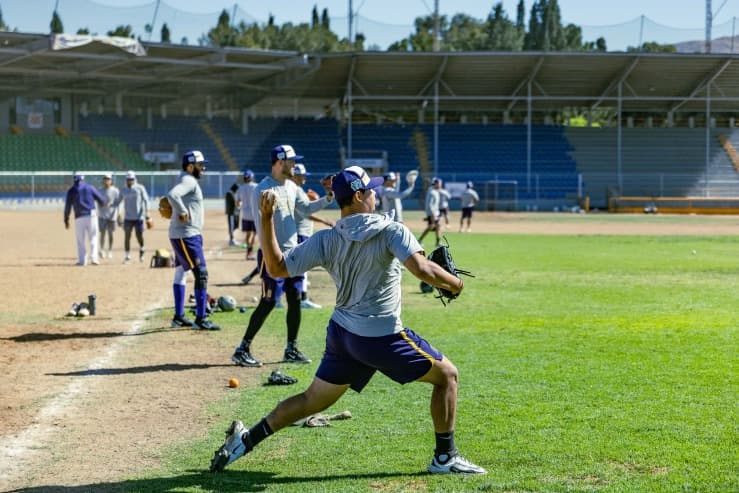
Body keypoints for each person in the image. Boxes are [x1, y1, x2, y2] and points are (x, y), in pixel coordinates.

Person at [210, 165, 486, 476]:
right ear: (358, 195)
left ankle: (245, 441)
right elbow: (423, 271)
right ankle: (445, 458)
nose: (376, 195)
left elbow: (275, 268)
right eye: (371, 190)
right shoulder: (390, 229)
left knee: (311, 400)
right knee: (447, 376)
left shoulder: (327, 238)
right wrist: (456, 284)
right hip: (380, 337)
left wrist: (264, 218)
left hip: (342, 334)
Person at [231, 144, 334, 367]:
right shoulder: (263, 189)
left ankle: (291, 348)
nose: (295, 165)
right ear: (280, 162)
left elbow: (305, 209)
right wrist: (270, 256)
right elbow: (261, 225)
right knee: (268, 301)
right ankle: (243, 348)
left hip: (294, 253)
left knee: (295, 299)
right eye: (292, 161)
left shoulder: (291, 186)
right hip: (272, 255)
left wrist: (328, 197)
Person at [166, 150, 221, 331]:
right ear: (190, 166)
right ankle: (200, 318)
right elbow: (173, 195)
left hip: (185, 234)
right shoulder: (189, 180)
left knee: (182, 273)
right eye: (200, 165)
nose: (203, 167)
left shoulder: (187, 179)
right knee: (201, 274)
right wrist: (182, 211)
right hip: (187, 235)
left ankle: (179, 316)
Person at [289, 162, 334, 309]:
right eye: (302, 176)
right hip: (300, 233)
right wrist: (327, 199)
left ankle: (286, 298)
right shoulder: (295, 190)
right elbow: (306, 211)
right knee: (301, 268)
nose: (305, 178)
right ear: (295, 176)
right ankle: (302, 299)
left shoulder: (293, 190)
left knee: (296, 268)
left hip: (299, 232)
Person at [63, 172, 105, 266]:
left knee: (80, 240)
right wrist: (103, 204)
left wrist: (66, 219)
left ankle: (82, 260)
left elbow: (67, 206)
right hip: (91, 215)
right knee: (93, 237)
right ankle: (94, 259)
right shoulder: (90, 187)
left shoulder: (71, 191)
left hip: (79, 216)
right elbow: (101, 199)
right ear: (83, 178)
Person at [115, 170, 150, 263]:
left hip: (139, 217)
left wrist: (147, 213)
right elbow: (118, 202)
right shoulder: (123, 190)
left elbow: (146, 200)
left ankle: (142, 249)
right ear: (126, 179)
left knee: (139, 235)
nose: (130, 181)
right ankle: (127, 256)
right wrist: (118, 215)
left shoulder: (140, 188)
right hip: (128, 217)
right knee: (127, 236)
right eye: (128, 179)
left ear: (134, 179)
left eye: (131, 179)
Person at [237, 169, 258, 261]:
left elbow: (237, 203)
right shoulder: (256, 186)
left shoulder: (240, 188)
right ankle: (251, 251)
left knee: (248, 233)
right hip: (254, 214)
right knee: (255, 234)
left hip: (245, 214)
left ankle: (248, 252)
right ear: (252, 177)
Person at [97, 172, 120, 259]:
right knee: (102, 233)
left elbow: (119, 203)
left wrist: (119, 214)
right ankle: (101, 250)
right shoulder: (99, 190)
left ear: (111, 181)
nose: (106, 181)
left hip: (112, 216)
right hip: (102, 215)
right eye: (105, 179)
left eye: (108, 179)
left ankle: (110, 250)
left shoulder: (115, 191)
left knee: (111, 234)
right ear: (103, 180)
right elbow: (97, 201)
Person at [418, 177, 442, 246]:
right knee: (431, 226)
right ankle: (419, 240)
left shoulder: (434, 191)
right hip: (432, 213)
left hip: (435, 213)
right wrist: (432, 215)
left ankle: (438, 242)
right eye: (439, 183)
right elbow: (430, 205)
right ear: (436, 184)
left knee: (438, 226)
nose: (440, 185)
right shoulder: (432, 192)